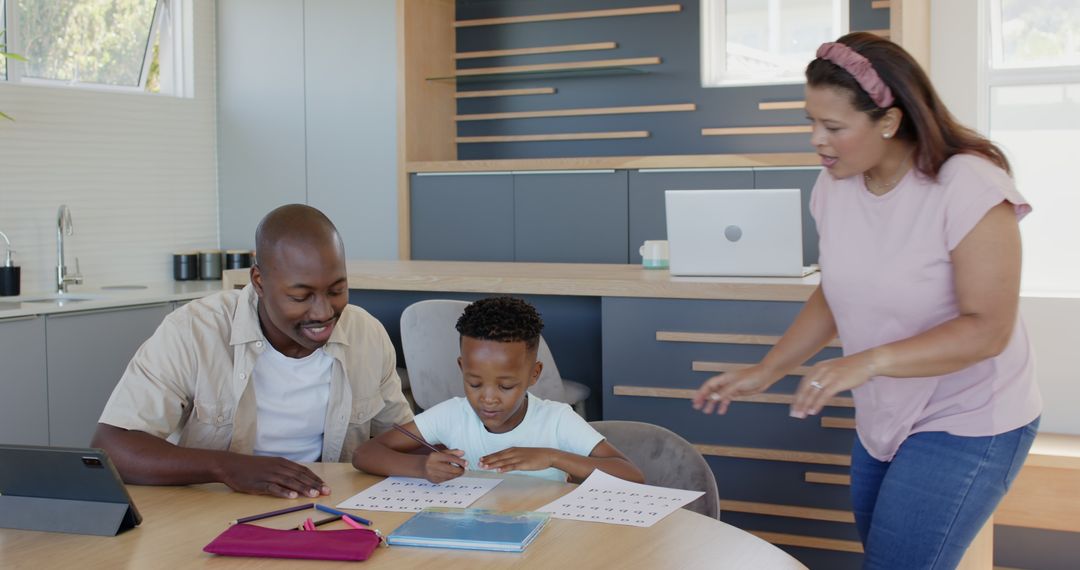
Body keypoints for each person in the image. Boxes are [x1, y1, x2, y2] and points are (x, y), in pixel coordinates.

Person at [692, 32, 1041, 569]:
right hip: (884, 413)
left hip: (970, 415)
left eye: (833, 127)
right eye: (810, 122)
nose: (816, 139)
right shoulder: (835, 184)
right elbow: (835, 292)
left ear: (889, 121)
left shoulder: (970, 186)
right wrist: (768, 370)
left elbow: (987, 329)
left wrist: (867, 362)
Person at [91, 204, 413, 499]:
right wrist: (226, 467)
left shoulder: (366, 335)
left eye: (337, 290)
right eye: (301, 296)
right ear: (259, 281)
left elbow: (404, 442)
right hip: (209, 516)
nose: (323, 312)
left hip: (325, 512)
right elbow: (112, 447)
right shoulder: (192, 331)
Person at [354, 296, 643, 484]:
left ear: (534, 374)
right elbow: (365, 454)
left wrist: (553, 457)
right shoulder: (452, 414)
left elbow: (631, 476)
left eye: (506, 386)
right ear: (461, 367)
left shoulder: (556, 420)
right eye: (474, 383)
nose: (488, 398)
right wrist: (422, 467)